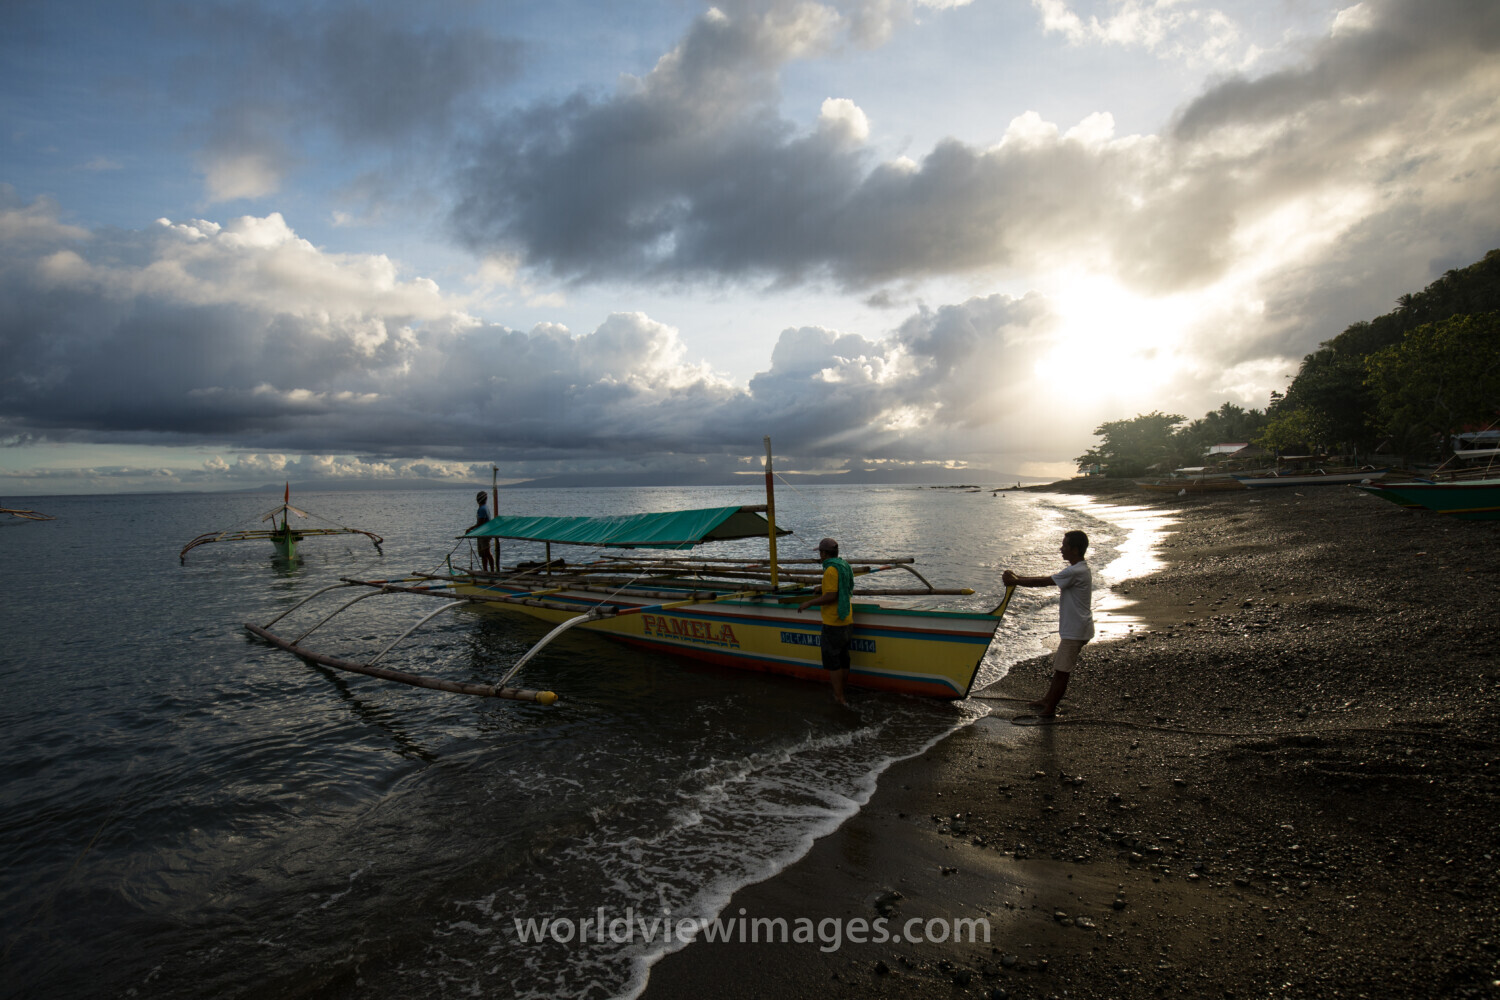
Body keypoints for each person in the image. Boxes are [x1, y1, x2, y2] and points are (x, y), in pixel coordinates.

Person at [1002, 529, 1093, 717]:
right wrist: (1017, 578)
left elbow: (1045, 582)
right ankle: (1047, 700)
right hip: (1078, 627)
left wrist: (1016, 581)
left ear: (1075, 550)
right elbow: (1049, 579)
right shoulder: (1079, 569)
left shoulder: (1075, 571)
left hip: (1076, 630)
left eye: (1065, 545)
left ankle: (1050, 709)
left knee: (1062, 671)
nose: (1061, 548)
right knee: (1060, 668)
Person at [797, 537, 855, 706]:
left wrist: (809, 603)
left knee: (833, 662)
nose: (820, 557)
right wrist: (821, 588)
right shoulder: (844, 566)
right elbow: (842, 586)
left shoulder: (830, 570)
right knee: (844, 659)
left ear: (824, 553)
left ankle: (839, 696)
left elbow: (831, 596)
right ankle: (842, 691)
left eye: (821, 553)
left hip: (833, 622)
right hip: (847, 619)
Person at [473, 490, 496, 573]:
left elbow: (480, 523)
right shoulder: (483, 508)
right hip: (481, 534)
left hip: (484, 534)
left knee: (487, 552)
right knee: (483, 554)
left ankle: (492, 571)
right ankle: (485, 571)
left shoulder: (482, 509)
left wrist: (470, 529)